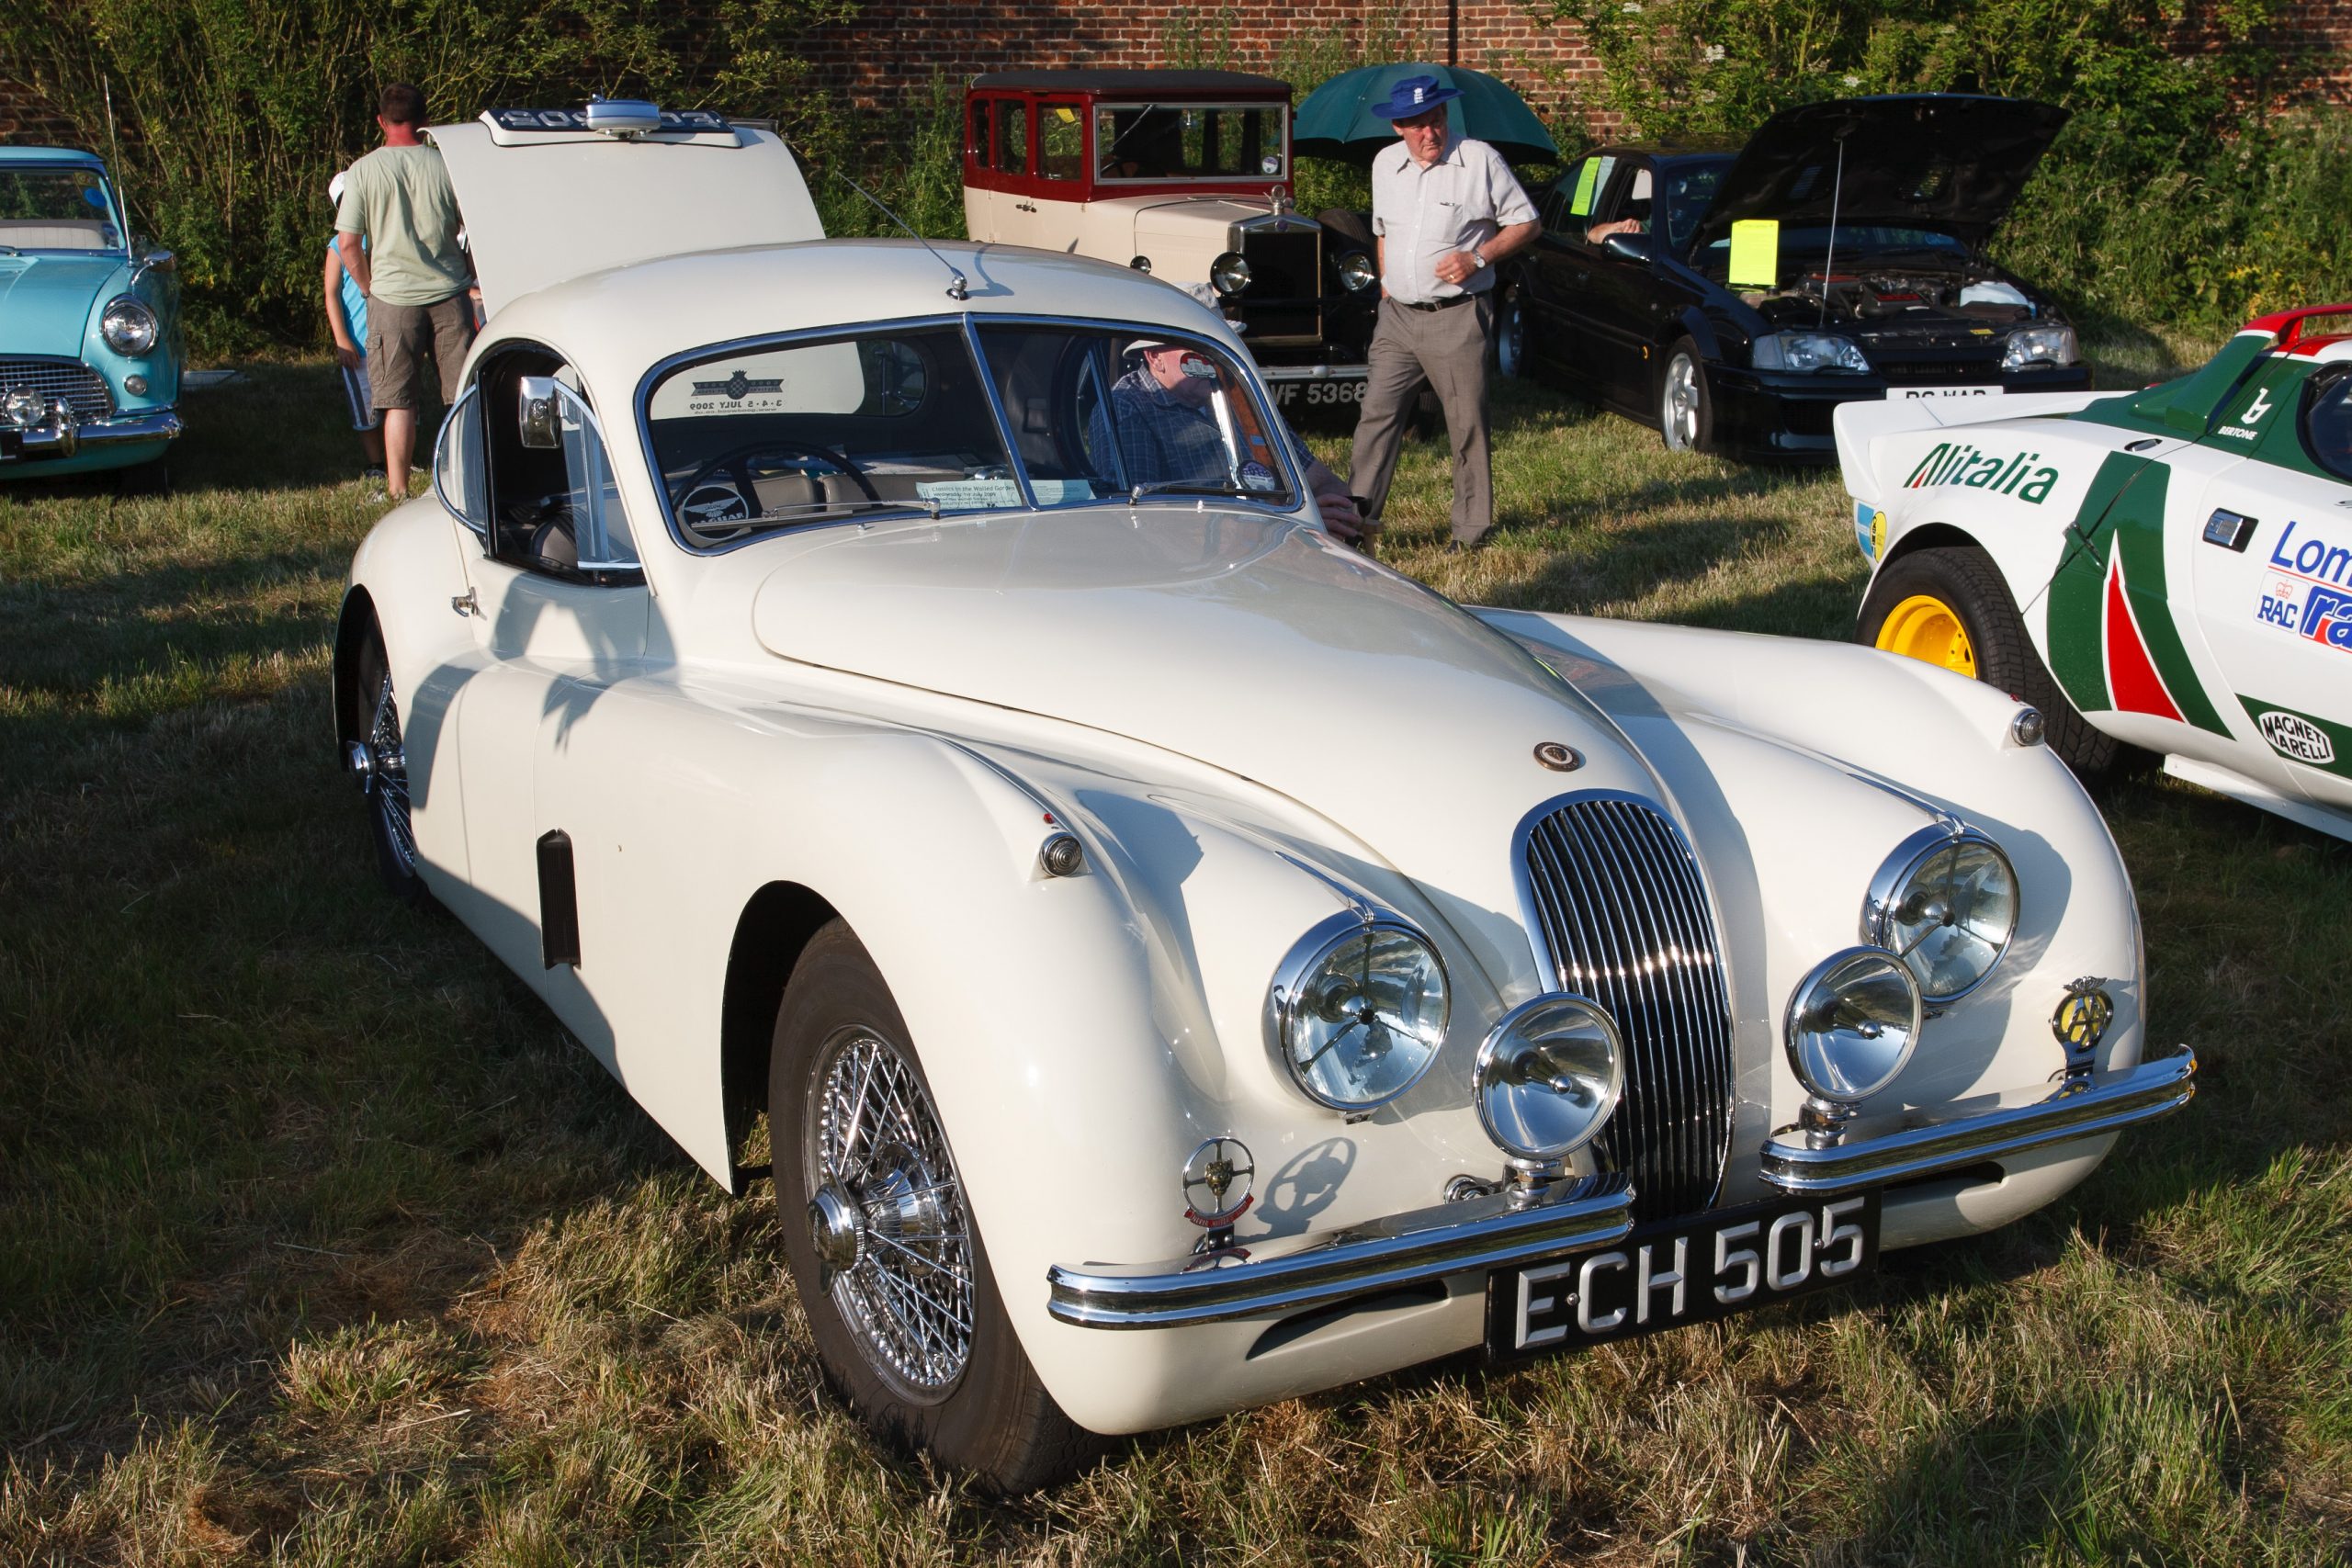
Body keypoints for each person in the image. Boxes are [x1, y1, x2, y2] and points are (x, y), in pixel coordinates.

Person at [1346, 73, 1539, 552]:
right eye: (1418, 125)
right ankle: (1355, 524)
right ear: (1398, 127)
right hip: (1398, 317)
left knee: (1465, 423)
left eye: (1436, 120)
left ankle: (1470, 532)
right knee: (1376, 417)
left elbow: (1527, 221)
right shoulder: (1384, 164)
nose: (1430, 133)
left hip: (1456, 315)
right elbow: (1383, 230)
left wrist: (1477, 258)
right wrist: (1386, 288)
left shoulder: (1479, 160)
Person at [334, 83, 474, 502]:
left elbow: (347, 244)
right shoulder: (448, 165)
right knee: (461, 396)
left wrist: (367, 287)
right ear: (426, 121)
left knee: (398, 400)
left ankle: (397, 491)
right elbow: (471, 229)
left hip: (392, 298)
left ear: (381, 121)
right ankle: (466, 484)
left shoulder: (362, 170)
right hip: (450, 293)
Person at [1110, 338, 1368, 543]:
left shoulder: (1237, 396)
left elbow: (1323, 481)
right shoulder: (1129, 405)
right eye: (1197, 353)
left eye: (1219, 349)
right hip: (1195, 570)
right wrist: (1288, 524)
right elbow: (1140, 520)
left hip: (1274, 551)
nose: (1213, 364)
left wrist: (1328, 511)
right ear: (1155, 356)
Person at [322, 171, 385, 482]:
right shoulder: (337, 246)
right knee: (366, 408)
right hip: (357, 346)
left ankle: (399, 457)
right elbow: (331, 294)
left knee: (395, 400)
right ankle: (376, 464)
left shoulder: (385, 235)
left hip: (389, 337)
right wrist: (342, 339)